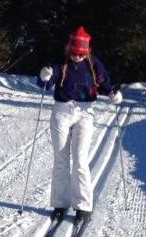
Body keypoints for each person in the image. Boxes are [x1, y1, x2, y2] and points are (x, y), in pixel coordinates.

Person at [36, 26, 122, 224]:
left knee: (80, 160)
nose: (77, 57)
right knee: (61, 159)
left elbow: (104, 84)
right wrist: (44, 76)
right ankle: (60, 203)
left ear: (86, 51)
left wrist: (112, 94)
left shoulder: (93, 63)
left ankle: (82, 206)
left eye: (80, 54)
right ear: (69, 48)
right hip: (62, 111)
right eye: (74, 53)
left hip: (84, 112)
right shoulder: (60, 62)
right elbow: (46, 85)